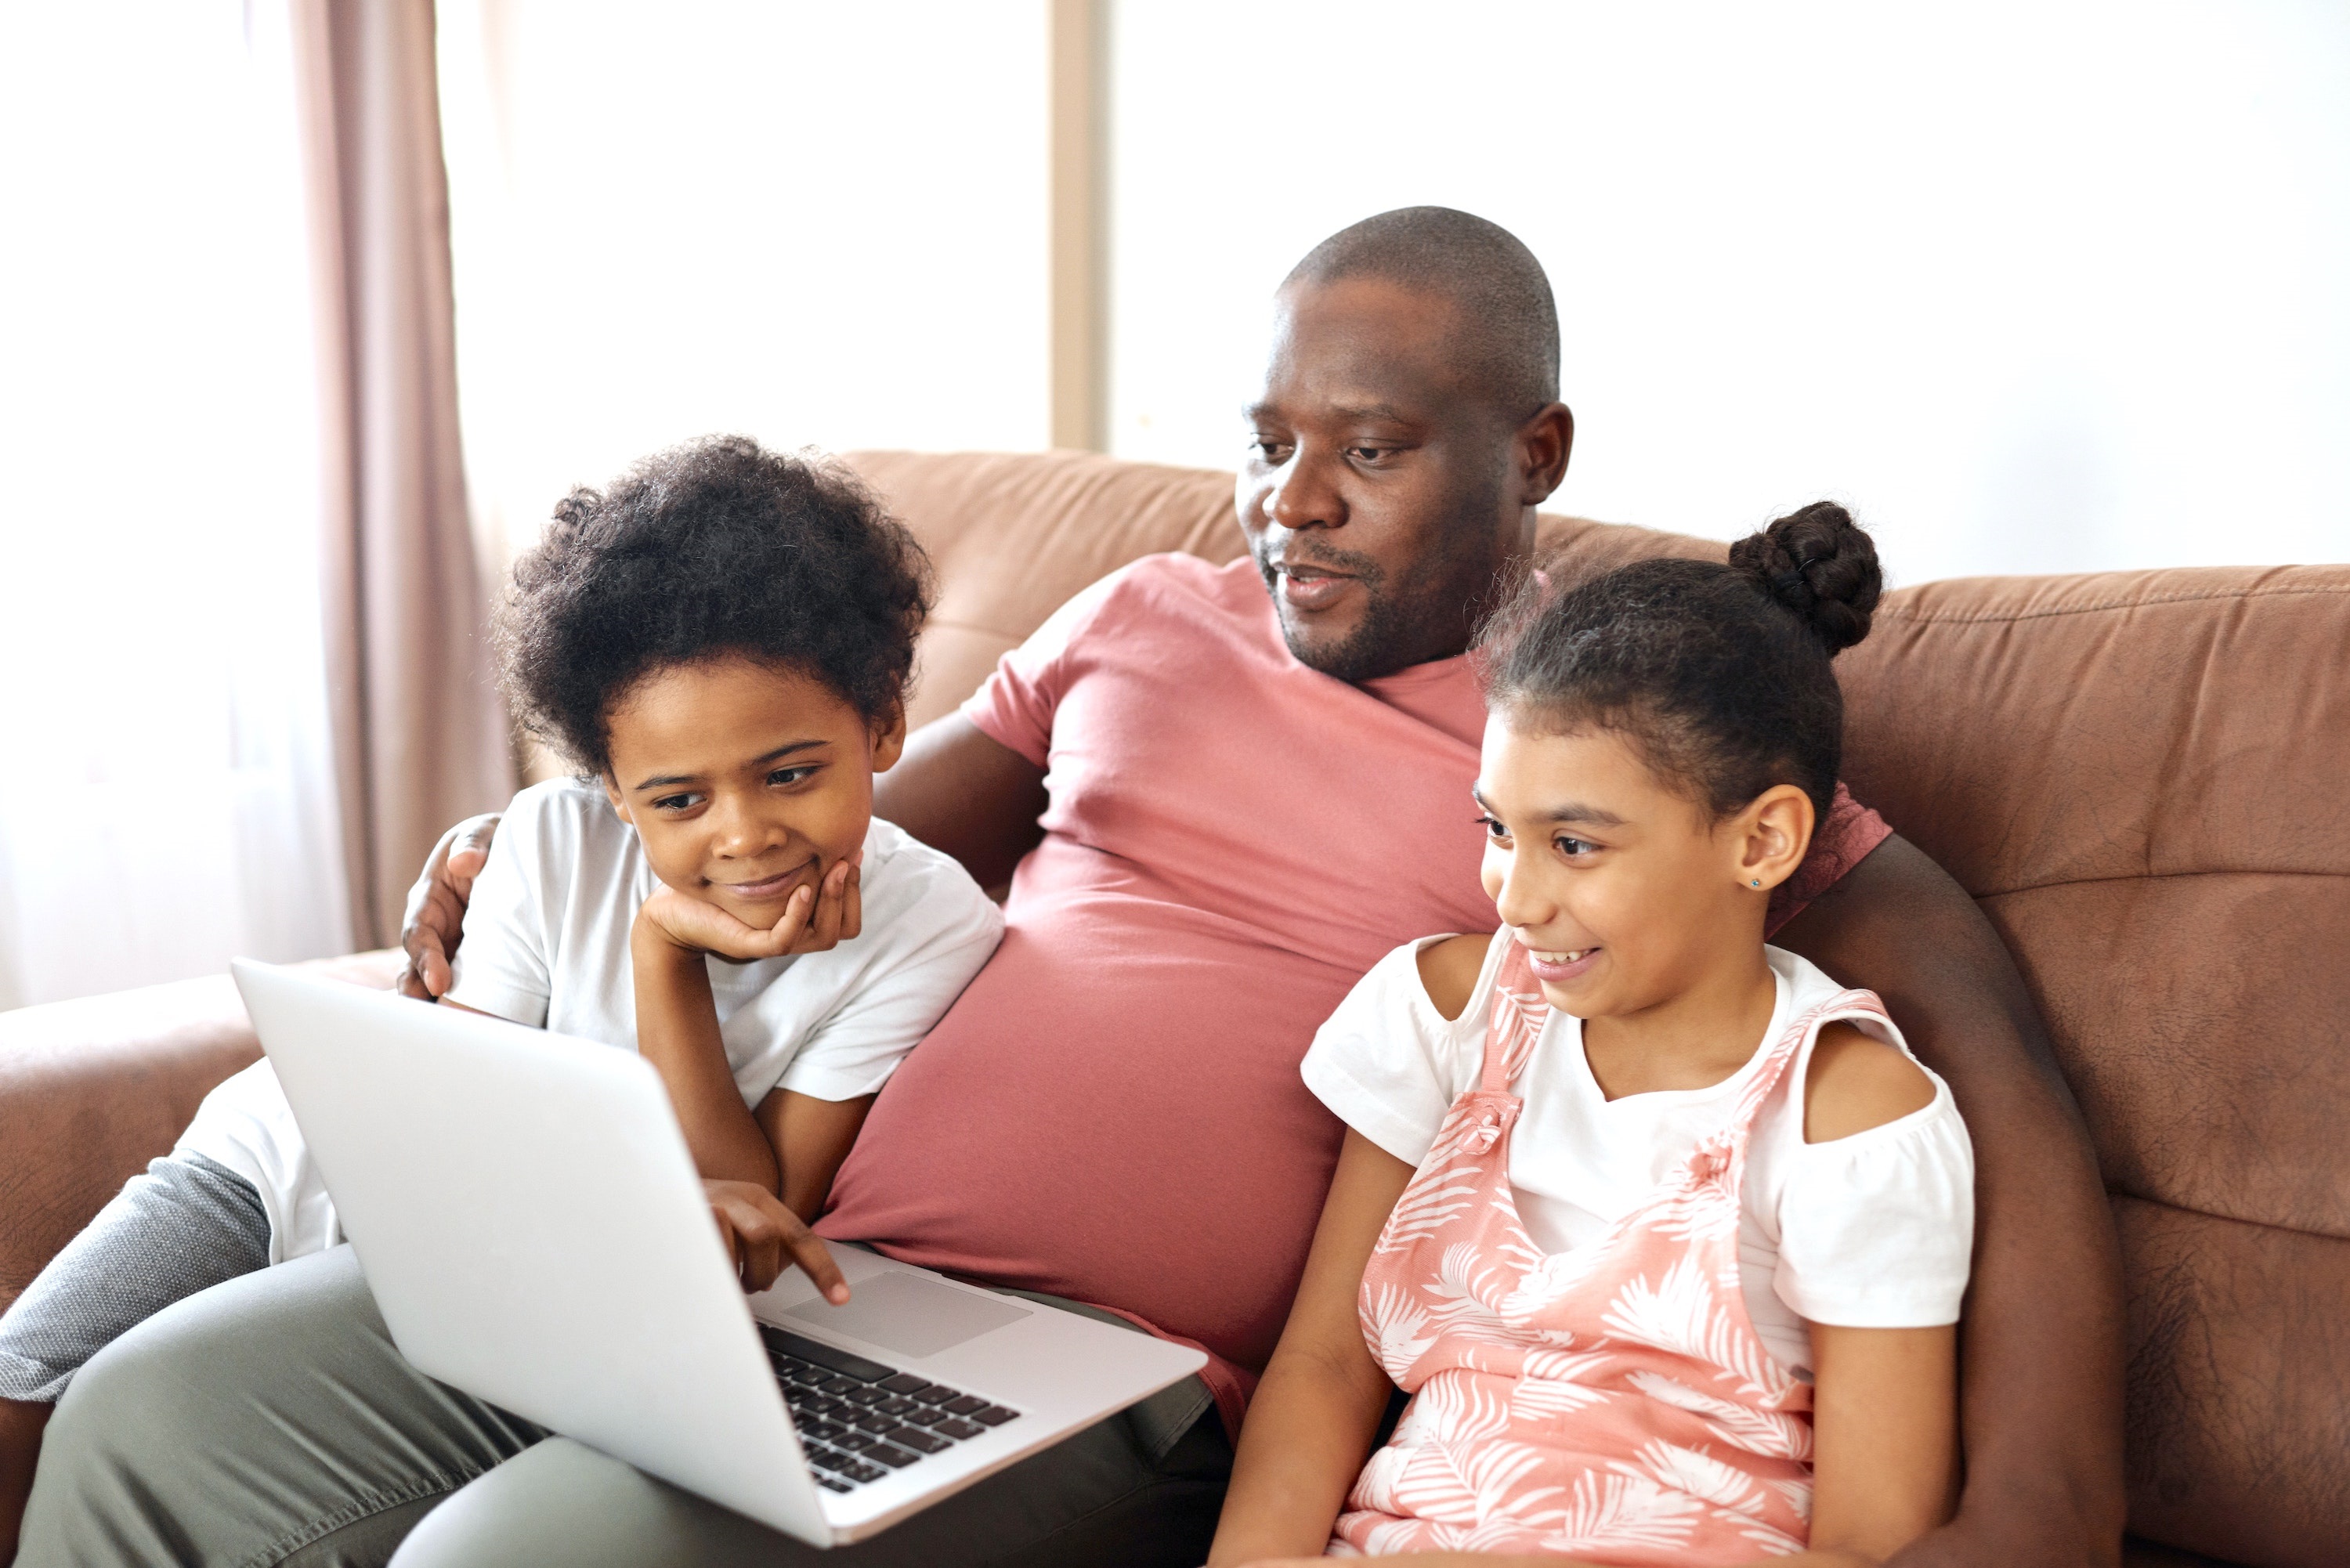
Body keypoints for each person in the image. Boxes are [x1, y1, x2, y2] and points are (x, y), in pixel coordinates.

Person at [13, 210, 2123, 1568]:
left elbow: (1976, 1040)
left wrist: (2041, 1493)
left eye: (1366, 450)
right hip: (783, 1262)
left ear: (1534, 450)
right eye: (1266, 438)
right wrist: (551, 827)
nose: (1289, 503)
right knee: (147, 1418)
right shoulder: (1144, 613)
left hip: (1096, 1388)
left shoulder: (1598, 742)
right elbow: (811, 822)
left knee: (510, 1555)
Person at [2, 436, 1003, 1561]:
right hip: (291, 1161)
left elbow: (747, 1207)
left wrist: (663, 947)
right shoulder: (549, 838)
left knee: (151, 1426)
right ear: (614, 792)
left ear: (881, 724)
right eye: (677, 797)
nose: (742, 831)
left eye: (790, 772)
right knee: (15, 1398)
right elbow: (454, 1121)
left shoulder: (929, 925)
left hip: (472, 1272)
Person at [1208, 504, 1975, 1566]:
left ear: (1762, 840)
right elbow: (1329, 1365)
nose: (1516, 898)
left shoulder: (1849, 1120)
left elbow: (1874, 1539)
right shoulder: (1445, 1014)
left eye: (1573, 842)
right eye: (1497, 829)